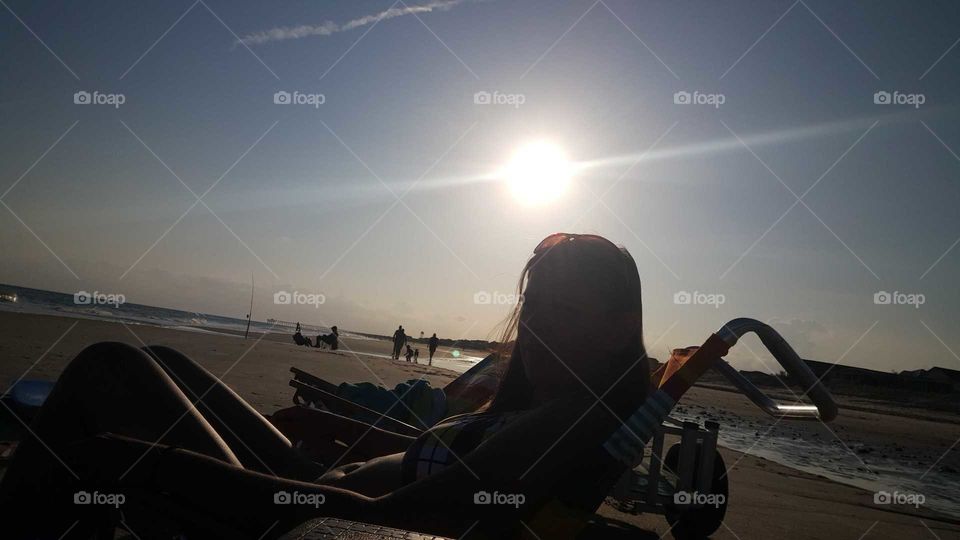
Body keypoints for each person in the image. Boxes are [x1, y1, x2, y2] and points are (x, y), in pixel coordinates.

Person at [0, 233, 649, 539]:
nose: (535, 329)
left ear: (622, 330)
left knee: (108, 385)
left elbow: (412, 515)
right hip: (309, 485)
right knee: (158, 356)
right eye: (533, 308)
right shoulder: (552, 406)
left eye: (563, 313)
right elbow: (443, 461)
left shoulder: (567, 427)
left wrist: (159, 468)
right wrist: (358, 434)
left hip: (304, 518)